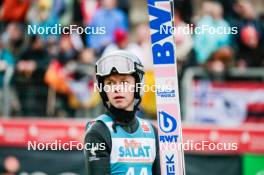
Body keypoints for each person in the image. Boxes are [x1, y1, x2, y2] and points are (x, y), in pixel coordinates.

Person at [84, 50, 160, 175]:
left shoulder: (151, 132)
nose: (117, 88)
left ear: (137, 86)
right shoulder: (97, 132)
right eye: (110, 83)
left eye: (124, 82)